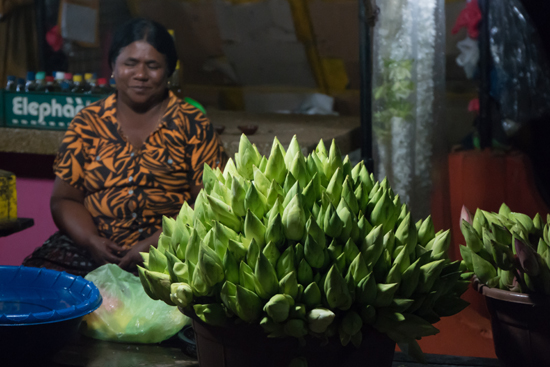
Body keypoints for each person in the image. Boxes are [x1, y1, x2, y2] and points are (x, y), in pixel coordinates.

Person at [23, 18, 227, 276]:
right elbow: (64, 199)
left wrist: (154, 244)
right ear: (113, 66)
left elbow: (208, 202)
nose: (140, 75)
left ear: (169, 71)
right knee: (38, 280)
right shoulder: (88, 123)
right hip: (94, 250)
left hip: (172, 249)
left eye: (153, 66)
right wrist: (91, 241)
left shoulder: (192, 124)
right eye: (130, 64)